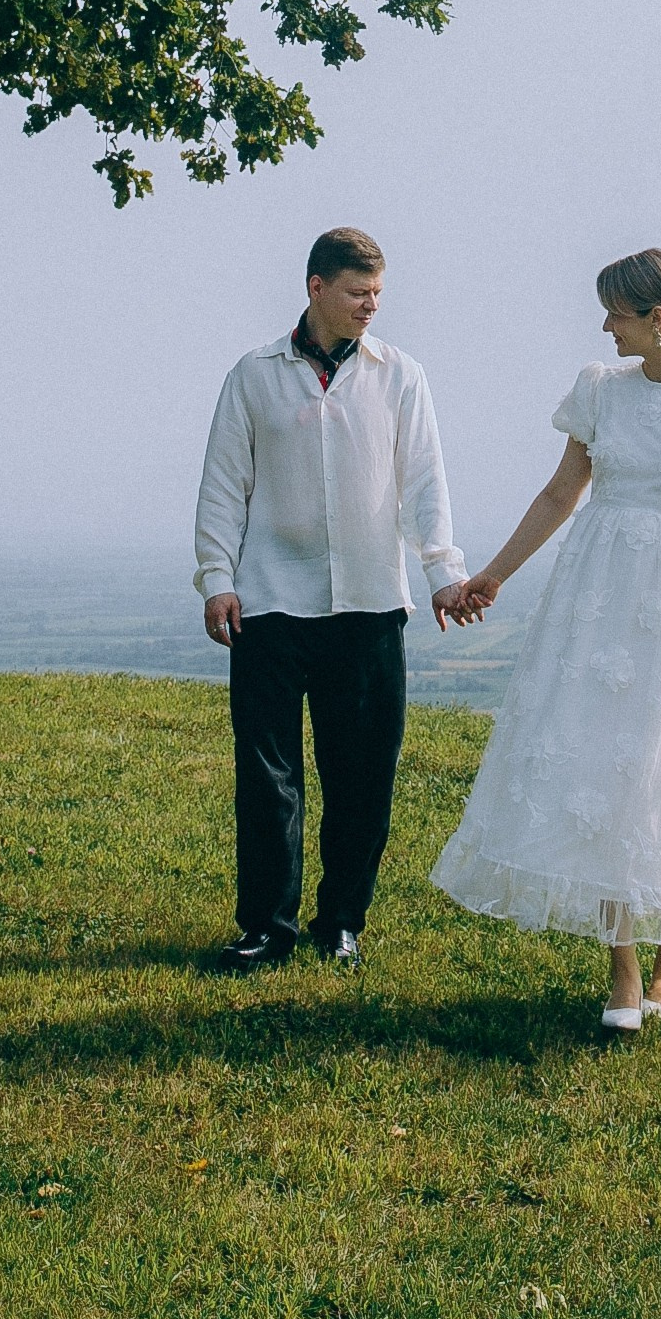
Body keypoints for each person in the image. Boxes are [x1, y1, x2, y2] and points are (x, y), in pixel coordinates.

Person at [431, 247, 661, 1032]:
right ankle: (624, 970)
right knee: (606, 764)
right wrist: (493, 576)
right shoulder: (600, 392)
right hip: (597, 598)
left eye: (618, 313)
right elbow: (560, 492)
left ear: (659, 320)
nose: (606, 327)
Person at [194, 227, 469, 971]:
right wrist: (217, 579)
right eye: (356, 293)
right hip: (270, 605)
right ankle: (266, 928)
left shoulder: (400, 375)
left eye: (377, 294)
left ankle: (341, 921)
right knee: (268, 777)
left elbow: (424, 483)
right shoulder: (253, 375)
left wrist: (443, 570)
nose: (369, 307)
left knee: (361, 778)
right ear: (316, 287)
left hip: (371, 607)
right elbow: (225, 483)